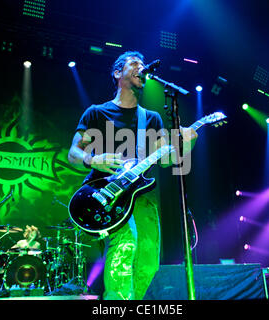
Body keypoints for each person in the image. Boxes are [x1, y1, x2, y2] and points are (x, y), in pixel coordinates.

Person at [67, 51, 198, 300]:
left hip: (142, 197)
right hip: (107, 196)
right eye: (134, 64)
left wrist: (188, 144)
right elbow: (72, 153)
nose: (141, 68)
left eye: (142, 64)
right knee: (125, 247)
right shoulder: (96, 113)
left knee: (149, 262)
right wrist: (91, 159)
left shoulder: (151, 118)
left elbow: (167, 157)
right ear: (118, 73)